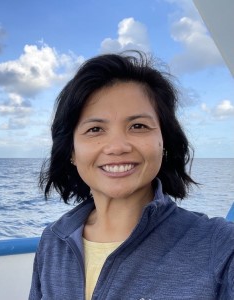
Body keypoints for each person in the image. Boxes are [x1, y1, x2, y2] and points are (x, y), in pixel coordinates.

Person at [29, 51, 234, 300]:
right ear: (71, 151)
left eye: (138, 126)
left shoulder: (221, 245)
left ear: (164, 141)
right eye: (95, 129)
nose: (117, 146)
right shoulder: (53, 241)